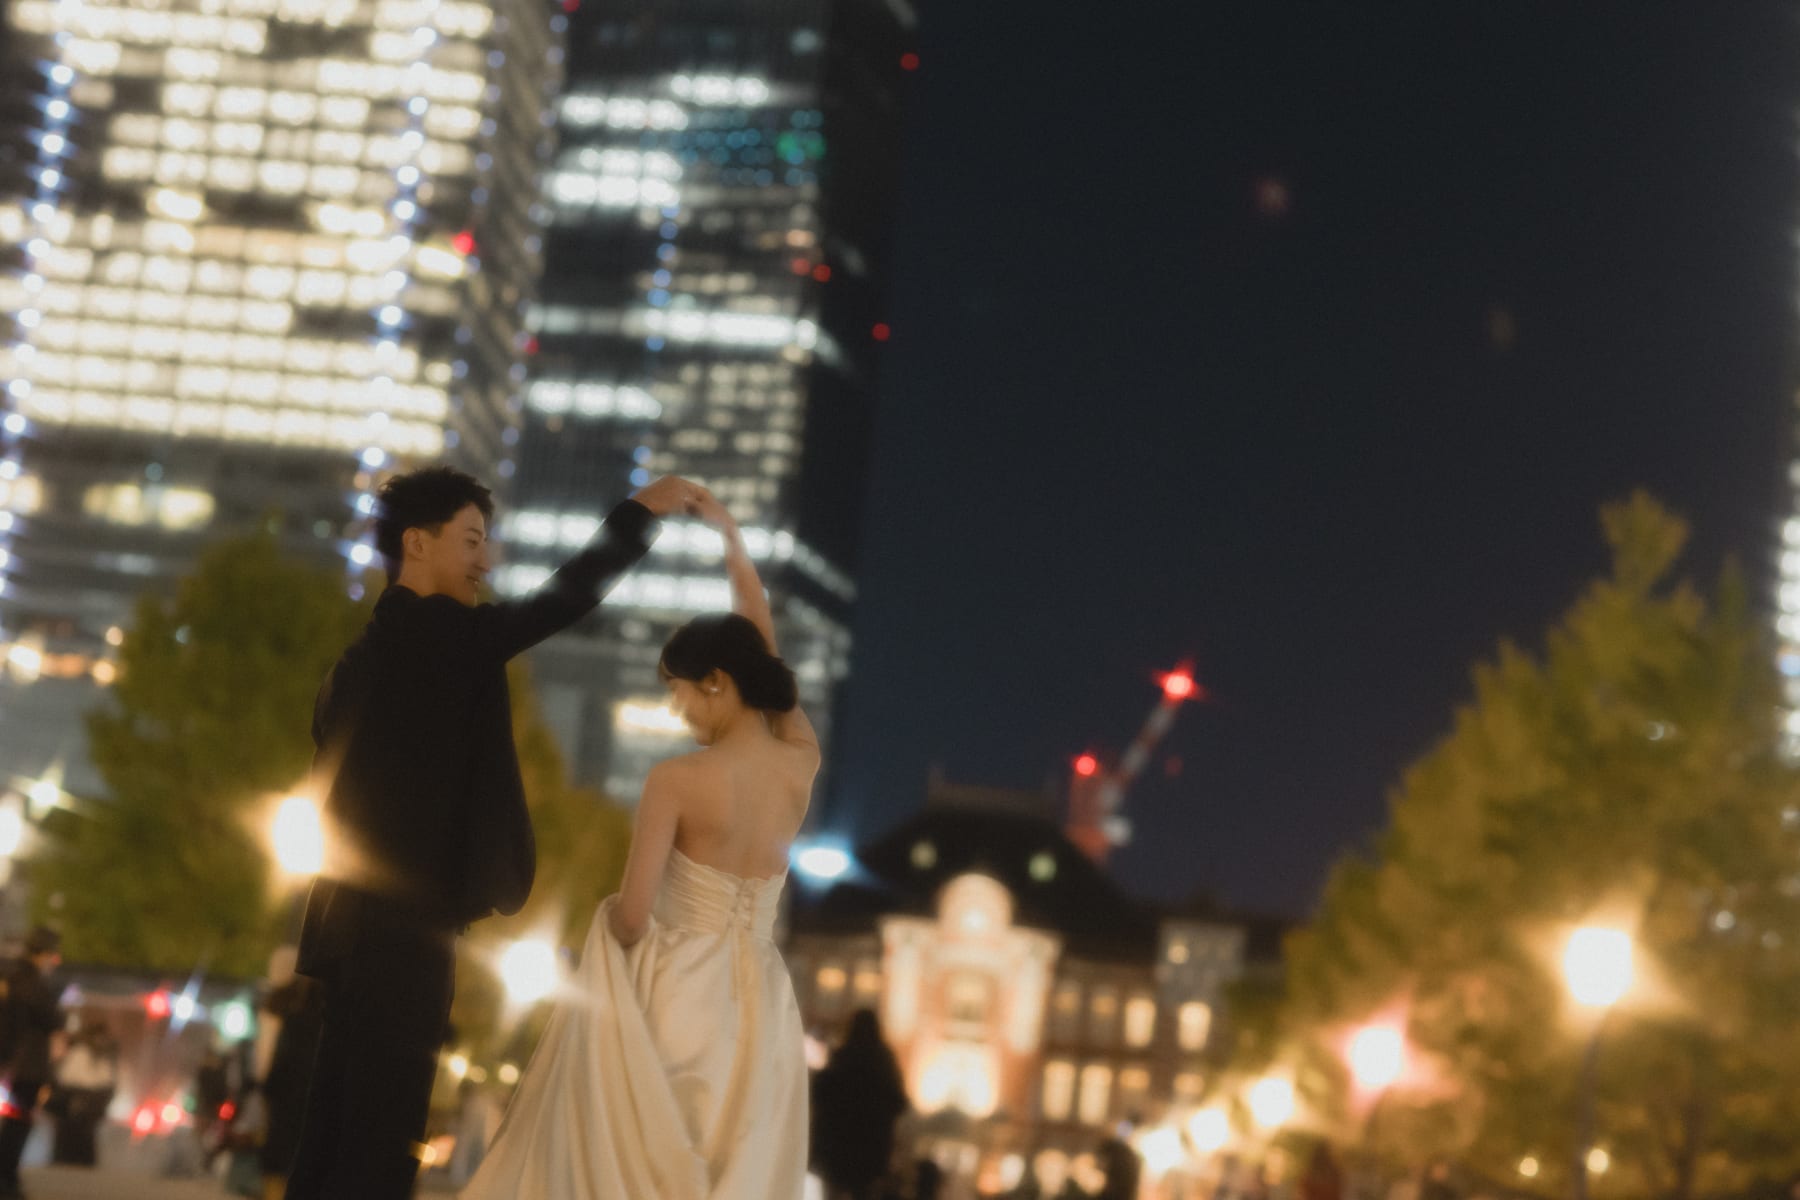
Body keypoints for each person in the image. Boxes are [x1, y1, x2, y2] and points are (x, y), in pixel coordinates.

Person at [284, 466, 700, 1200]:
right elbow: (565, 597)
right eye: (472, 541)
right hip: (408, 929)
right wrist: (640, 512)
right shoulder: (449, 640)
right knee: (384, 1134)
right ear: (417, 544)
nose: (486, 560)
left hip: (342, 928)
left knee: (334, 1126)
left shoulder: (356, 661)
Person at [462, 488, 819, 1200]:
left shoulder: (677, 780)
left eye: (678, 690)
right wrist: (733, 546)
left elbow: (632, 917)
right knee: (735, 1170)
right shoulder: (799, 762)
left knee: (637, 1168)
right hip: (763, 1002)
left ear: (716, 683)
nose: (677, 709)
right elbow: (763, 639)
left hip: (680, 988)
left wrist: (605, 930)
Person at [812, 1008, 910, 1200]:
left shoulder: (843, 1056)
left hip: (838, 1143)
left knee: (834, 1190)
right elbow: (898, 1102)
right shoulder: (883, 1061)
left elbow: (822, 1093)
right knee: (863, 1190)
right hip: (871, 1146)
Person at [0, 926, 62, 1200]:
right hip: (28, 1064)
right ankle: (7, 1177)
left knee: (16, 1120)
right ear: (44, 954)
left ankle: (7, 1176)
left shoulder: (13, 979)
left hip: (13, 1061)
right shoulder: (31, 983)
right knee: (19, 1122)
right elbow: (52, 1018)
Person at [48, 1024, 117, 1166]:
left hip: (83, 1098)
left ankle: (68, 1161)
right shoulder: (83, 1053)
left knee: (74, 1135)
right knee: (78, 1135)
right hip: (81, 1097)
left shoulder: (91, 1054)